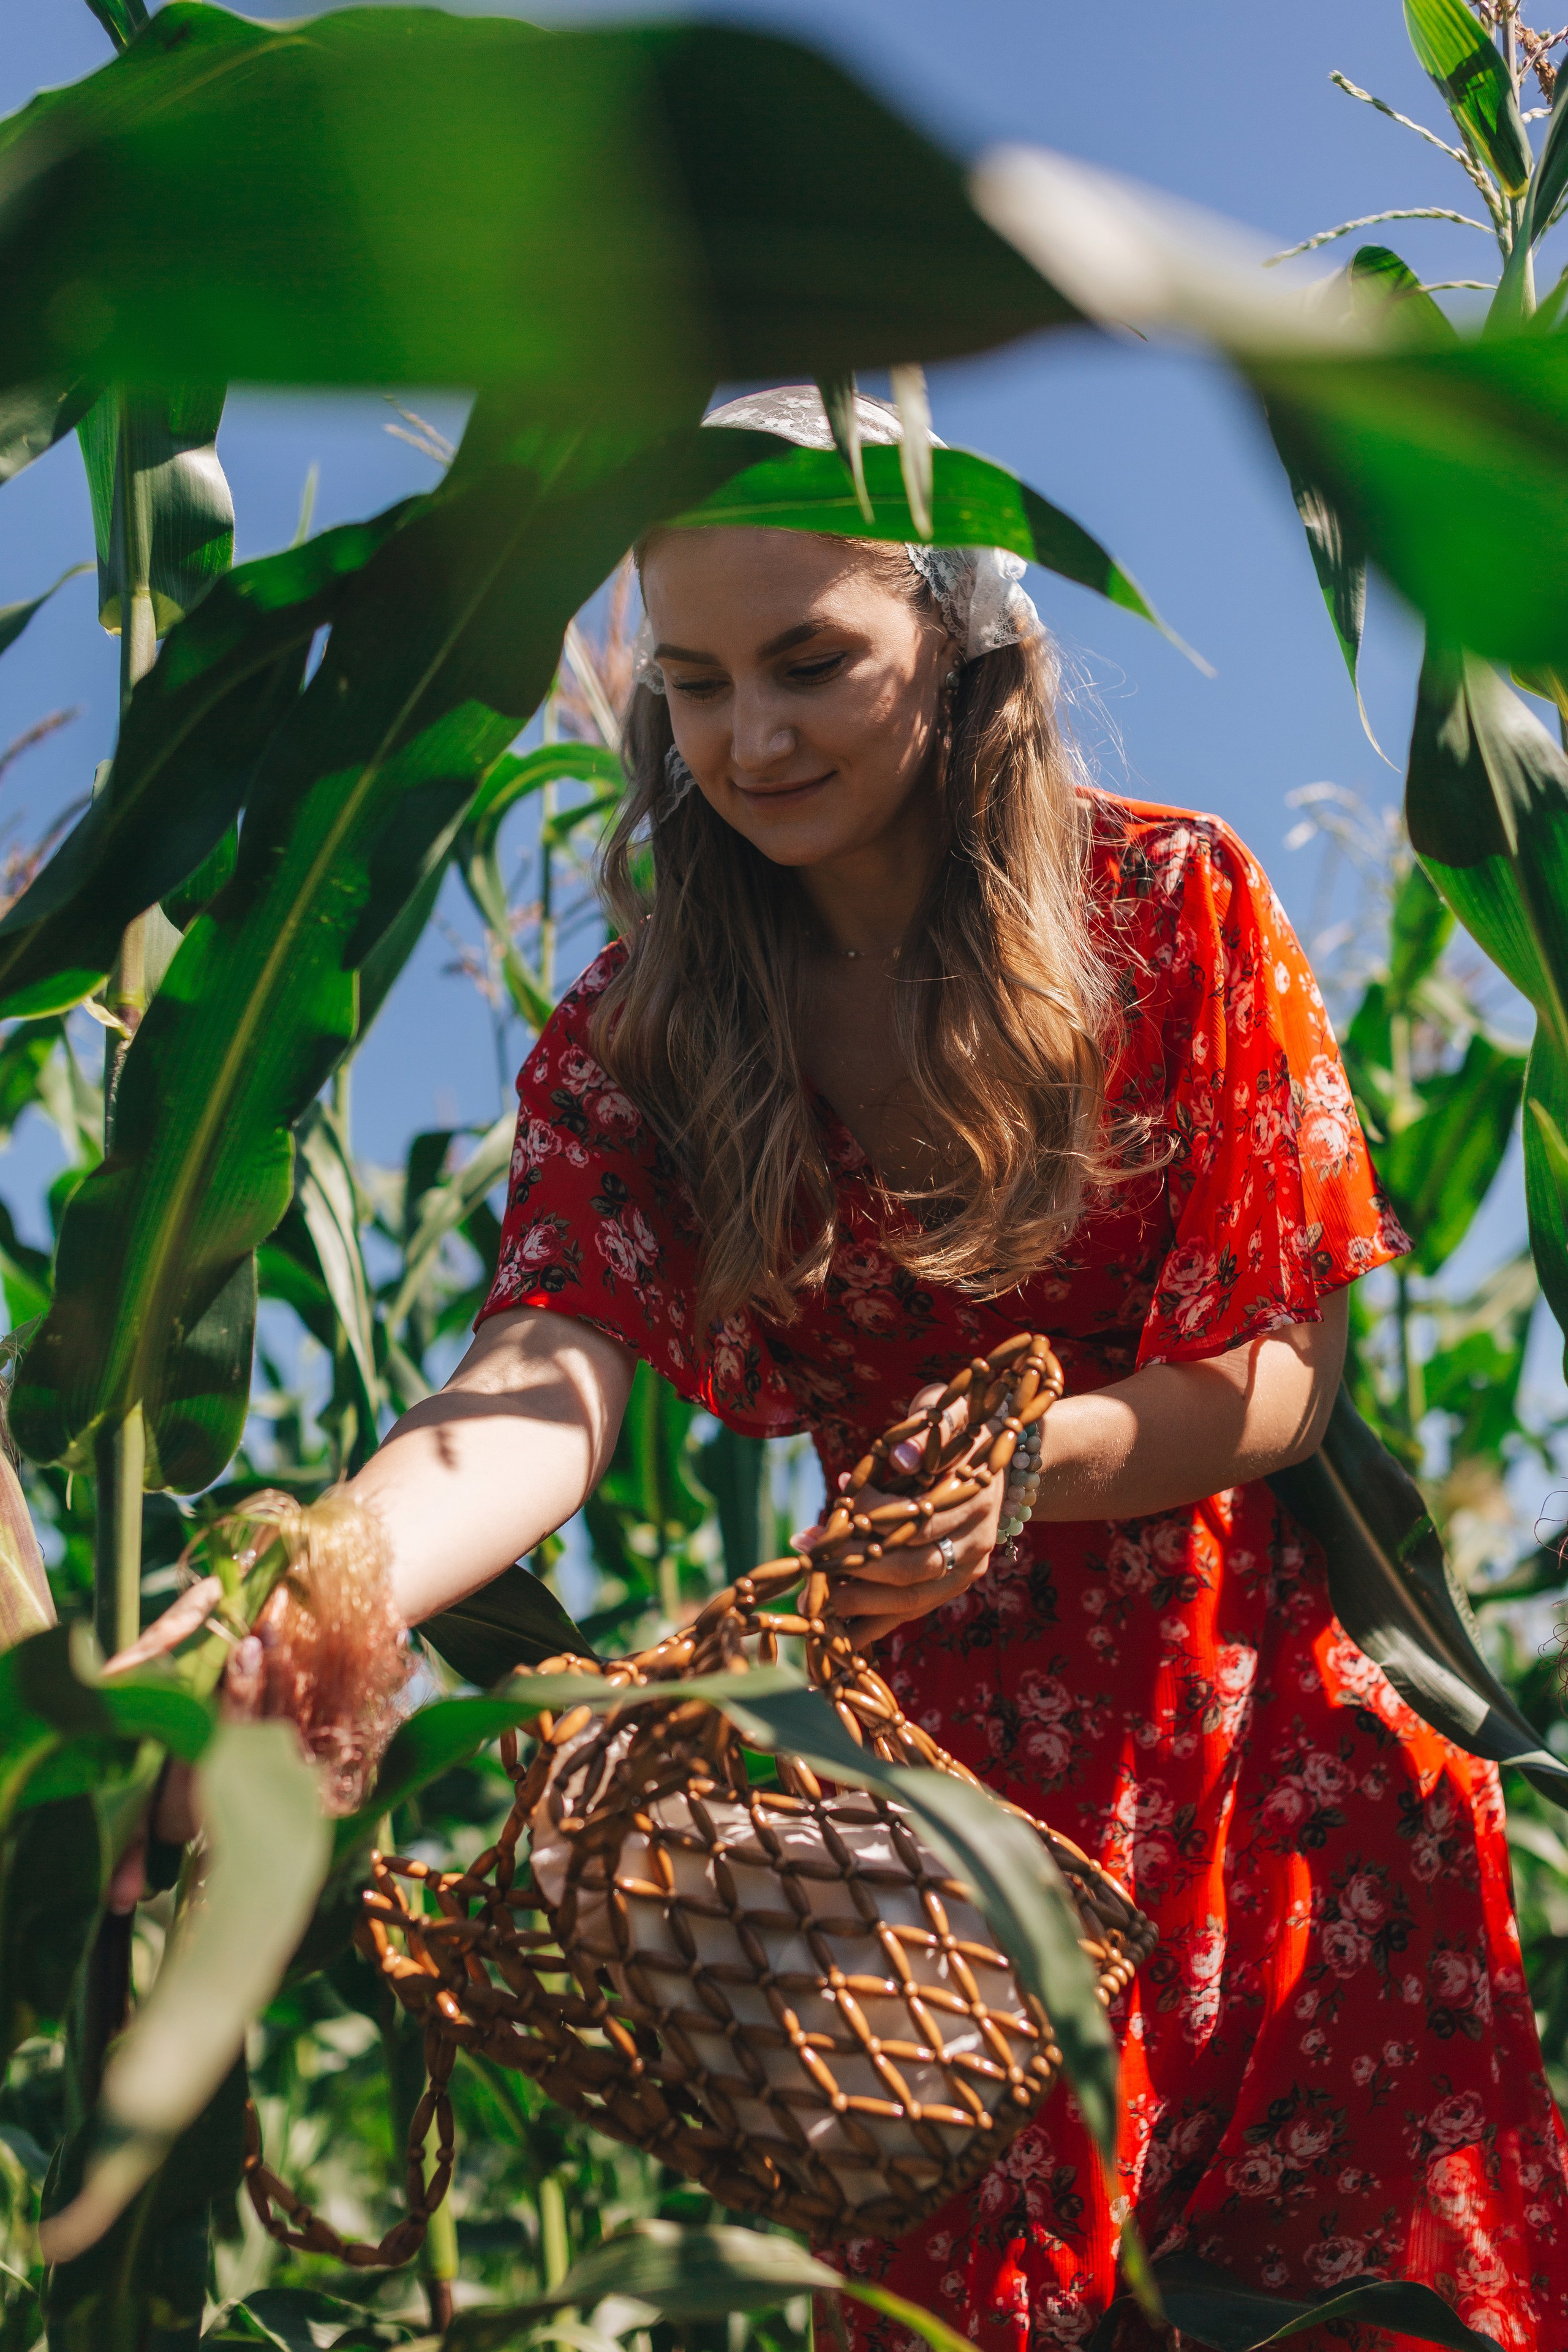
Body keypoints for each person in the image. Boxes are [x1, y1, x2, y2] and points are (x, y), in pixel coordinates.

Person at [146, 389, 1568, 2347]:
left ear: (962, 644)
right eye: (698, 686)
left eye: (812, 664)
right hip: (924, 1886)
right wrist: (338, 1579)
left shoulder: (1175, 912)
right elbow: (548, 1368)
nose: (751, 738)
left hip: (1277, 1793)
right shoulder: (647, 1038)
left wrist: (1025, 1462)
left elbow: (1275, 1377)